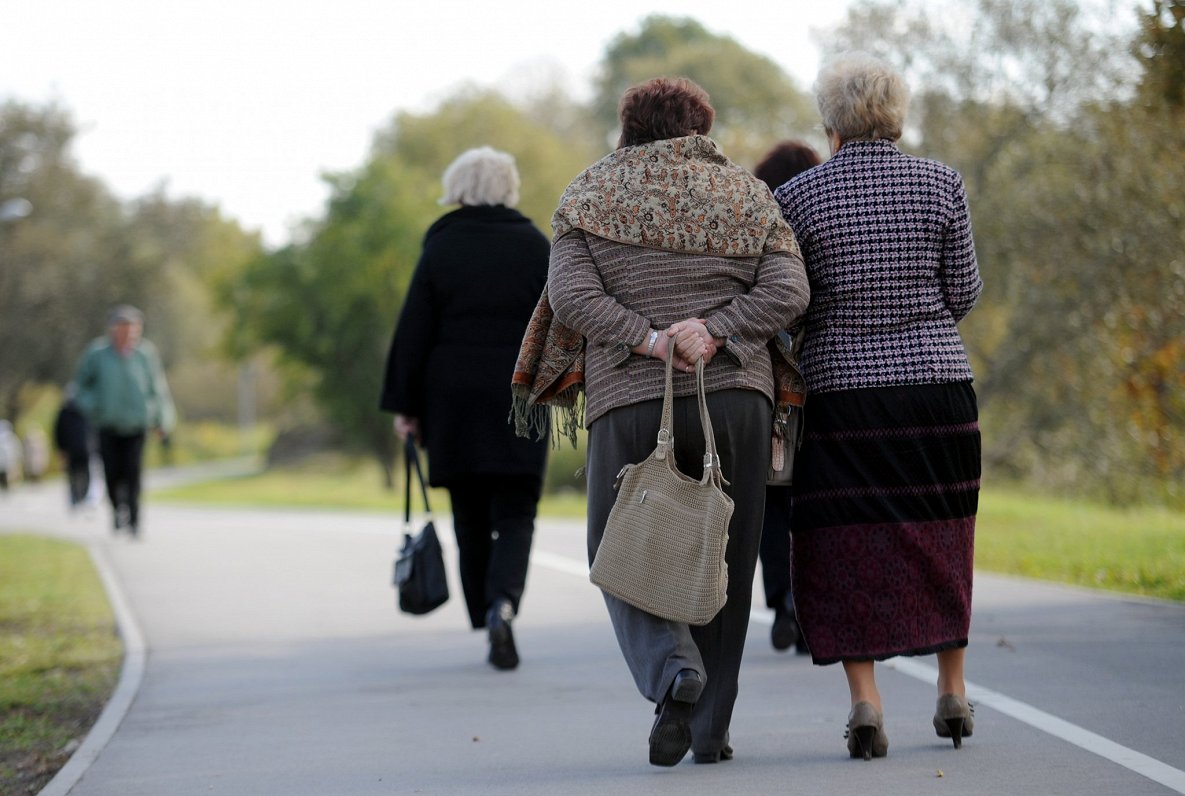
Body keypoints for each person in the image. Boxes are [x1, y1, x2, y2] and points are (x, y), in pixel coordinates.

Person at [529, 77, 809, 766]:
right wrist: (714, 330)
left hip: (629, 397)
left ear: (627, 127)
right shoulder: (746, 194)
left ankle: (670, 668)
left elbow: (568, 295)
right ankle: (709, 733)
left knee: (618, 548)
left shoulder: (588, 193)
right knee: (726, 560)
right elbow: (788, 290)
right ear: (701, 128)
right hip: (738, 398)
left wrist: (646, 339)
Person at [774, 53, 983, 760]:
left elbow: (789, 308)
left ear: (829, 119)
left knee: (844, 544)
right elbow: (964, 292)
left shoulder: (798, 198)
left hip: (841, 396)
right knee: (941, 536)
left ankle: (865, 702)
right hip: (935, 388)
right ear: (896, 112)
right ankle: (950, 687)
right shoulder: (940, 183)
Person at [380, 147, 550, 672]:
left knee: (469, 512)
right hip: (520, 394)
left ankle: (484, 613)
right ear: (508, 186)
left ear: (458, 186)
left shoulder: (442, 245)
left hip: (451, 398)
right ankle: (504, 604)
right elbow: (557, 321)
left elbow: (414, 330)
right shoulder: (535, 245)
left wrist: (405, 406)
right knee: (517, 511)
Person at [751, 140, 822, 656]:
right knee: (815, 497)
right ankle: (813, 603)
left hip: (767, 378)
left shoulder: (754, 222)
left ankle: (781, 602)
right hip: (819, 373)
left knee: (772, 496)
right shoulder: (821, 215)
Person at [72, 305, 176, 537]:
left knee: (133, 472)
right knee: (111, 472)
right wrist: (93, 406)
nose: (129, 333)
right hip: (107, 424)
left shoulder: (145, 354)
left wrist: (162, 420)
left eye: (133, 328)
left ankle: (135, 520)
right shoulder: (97, 354)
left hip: (137, 424)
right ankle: (118, 510)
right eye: (124, 328)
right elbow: (80, 387)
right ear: (113, 329)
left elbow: (157, 389)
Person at [54, 388, 93, 508]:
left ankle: (79, 497)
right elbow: (59, 432)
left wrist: (61, 449)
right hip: (81, 449)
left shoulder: (83, 411)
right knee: (79, 473)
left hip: (80, 449)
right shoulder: (66, 413)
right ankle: (79, 497)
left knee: (78, 473)